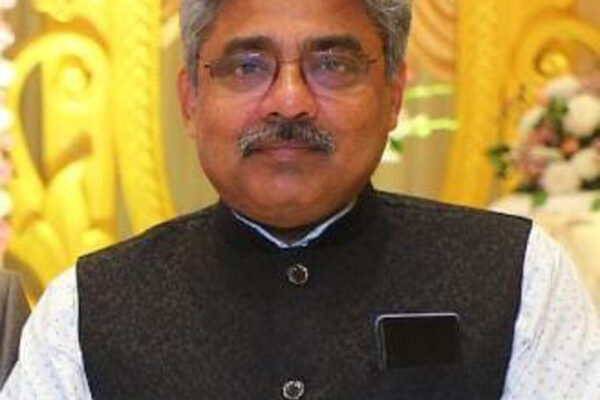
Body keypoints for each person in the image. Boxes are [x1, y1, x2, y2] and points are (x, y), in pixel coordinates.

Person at [2, 0, 600, 398]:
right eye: (247, 67)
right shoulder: (85, 308)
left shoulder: (521, 277)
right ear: (190, 101)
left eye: (332, 64)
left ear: (393, 94)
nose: (289, 101)